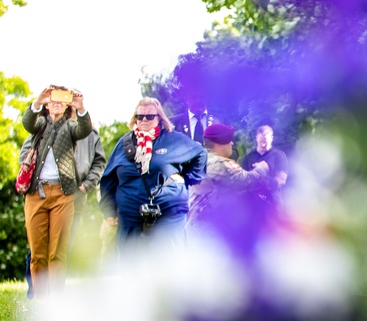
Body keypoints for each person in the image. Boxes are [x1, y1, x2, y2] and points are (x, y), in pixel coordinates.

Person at [100, 97, 207, 248]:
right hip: (130, 214)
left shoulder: (175, 140)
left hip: (168, 211)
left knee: (168, 263)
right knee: (131, 264)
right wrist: (109, 210)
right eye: (140, 116)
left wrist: (187, 178)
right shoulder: (124, 144)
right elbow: (108, 178)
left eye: (150, 116)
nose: (144, 119)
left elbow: (200, 154)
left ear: (160, 119)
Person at [20, 85, 93, 296]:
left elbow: (84, 129)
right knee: (37, 253)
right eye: (53, 99)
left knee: (57, 252)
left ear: (67, 103)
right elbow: (28, 122)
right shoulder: (40, 123)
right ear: (47, 103)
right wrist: (37, 102)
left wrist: (81, 109)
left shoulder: (70, 126)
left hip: (62, 194)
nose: (57, 103)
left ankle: (55, 301)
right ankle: (40, 300)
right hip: (36, 193)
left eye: (62, 99)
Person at [188, 124, 270, 234]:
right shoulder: (220, 165)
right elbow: (247, 181)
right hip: (209, 233)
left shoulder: (198, 160)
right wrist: (262, 169)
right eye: (228, 140)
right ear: (219, 144)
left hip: (193, 228)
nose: (232, 143)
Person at [241, 125, 288, 190]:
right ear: (256, 138)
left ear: (272, 138)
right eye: (261, 142)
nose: (263, 145)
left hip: (271, 196)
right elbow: (241, 180)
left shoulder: (279, 156)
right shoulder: (247, 157)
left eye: (265, 142)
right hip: (251, 196)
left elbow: (281, 180)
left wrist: (265, 174)